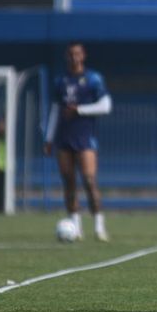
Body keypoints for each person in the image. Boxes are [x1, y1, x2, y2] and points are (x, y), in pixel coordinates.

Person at [44, 42, 112, 242]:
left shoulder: (93, 79)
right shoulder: (61, 81)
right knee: (69, 183)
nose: (75, 57)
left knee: (90, 181)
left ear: (83, 56)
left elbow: (106, 105)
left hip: (85, 138)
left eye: (78, 54)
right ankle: (76, 227)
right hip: (64, 138)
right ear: (67, 57)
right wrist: (49, 138)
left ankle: (99, 227)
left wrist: (80, 110)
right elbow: (56, 110)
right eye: (71, 54)